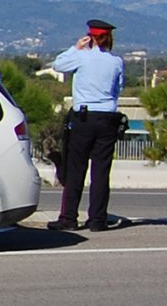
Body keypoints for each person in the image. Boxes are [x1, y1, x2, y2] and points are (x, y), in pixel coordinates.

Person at [47, 19, 125, 232]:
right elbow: (118, 88)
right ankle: (97, 220)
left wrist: (76, 47)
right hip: (108, 118)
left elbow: (58, 65)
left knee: (76, 170)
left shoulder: (81, 57)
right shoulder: (116, 61)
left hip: (84, 118)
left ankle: (69, 218)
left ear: (90, 37)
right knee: (101, 172)